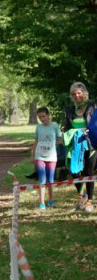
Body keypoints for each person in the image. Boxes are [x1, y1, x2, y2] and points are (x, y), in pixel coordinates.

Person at [62, 82, 96, 212]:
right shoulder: (70, 109)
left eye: (78, 93)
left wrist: (90, 130)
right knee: (74, 170)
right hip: (74, 143)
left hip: (91, 143)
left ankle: (89, 202)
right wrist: (66, 133)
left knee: (88, 172)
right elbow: (67, 125)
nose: (76, 95)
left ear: (84, 94)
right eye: (74, 94)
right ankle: (81, 195)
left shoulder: (92, 106)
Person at [32, 107, 61, 210]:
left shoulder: (55, 125)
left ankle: (51, 200)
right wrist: (33, 154)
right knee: (42, 179)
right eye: (40, 117)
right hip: (39, 156)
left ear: (48, 115)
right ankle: (42, 203)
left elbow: (60, 138)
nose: (42, 119)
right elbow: (36, 141)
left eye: (43, 116)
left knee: (50, 179)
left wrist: (53, 145)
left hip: (52, 156)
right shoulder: (38, 127)